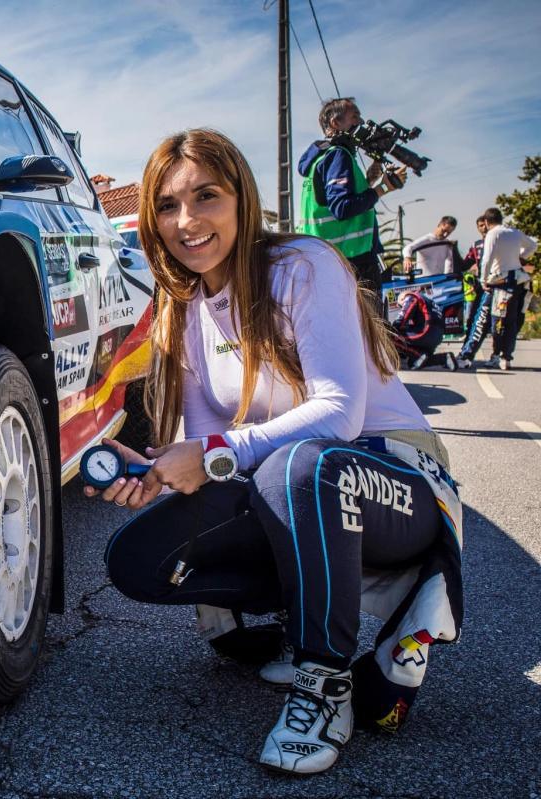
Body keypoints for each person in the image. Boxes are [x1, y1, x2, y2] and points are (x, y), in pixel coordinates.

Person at [94, 129, 463, 775]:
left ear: (242, 198)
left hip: (394, 479)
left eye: (205, 196)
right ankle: (306, 623)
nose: (187, 221)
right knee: (138, 558)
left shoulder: (300, 264)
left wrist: (209, 451)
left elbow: (338, 412)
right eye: (167, 205)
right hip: (293, 481)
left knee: (302, 464)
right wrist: (163, 472)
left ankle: (323, 683)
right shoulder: (182, 307)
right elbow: (216, 442)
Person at [298, 98, 408, 298]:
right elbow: (342, 208)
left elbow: (329, 201)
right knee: (367, 326)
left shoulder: (321, 156)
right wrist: (384, 187)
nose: (361, 122)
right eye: (355, 116)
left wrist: (369, 181)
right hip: (353, 260)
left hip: (330, 259)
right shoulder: (338, 155)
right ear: (335, 123)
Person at [457, 207, 538, 369]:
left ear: (487, 222)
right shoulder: (514, 232)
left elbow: (487, 259)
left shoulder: (493, 234)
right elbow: (533, 246)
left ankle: (466, 356)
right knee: (510, 321)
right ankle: (505, 357)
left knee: (483, 319)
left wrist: (483, 280)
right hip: (515, 281)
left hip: (497, 282)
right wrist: (520, 258)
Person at [392, 289, 458, 371]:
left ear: (402, 299)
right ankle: (445, 358)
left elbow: (403, 317)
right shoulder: (429, 301)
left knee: (390, 336)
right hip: (437, 336)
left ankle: (418, 354)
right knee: (414, 362)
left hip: (425, 331)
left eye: (401, 306)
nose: (401, 308)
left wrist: (392, 329)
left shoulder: (411, 297)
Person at [461, 216, 488, 335]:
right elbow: (465, 264)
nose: (484, 228)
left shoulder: (500, 241)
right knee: (473, 314)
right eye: (481, 226)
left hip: (498, 283)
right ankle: (470, 336)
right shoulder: (476, 245)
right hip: (480, 285)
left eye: (485, 224)